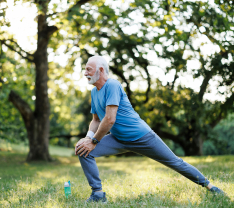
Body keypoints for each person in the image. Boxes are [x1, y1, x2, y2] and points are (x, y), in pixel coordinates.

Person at [75, 56, 224, 203]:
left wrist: (94, 141)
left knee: (175, 162)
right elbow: (96, 120)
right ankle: (98, 194)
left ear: (100, 70)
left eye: (89, 69)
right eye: (85, 70)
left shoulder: (112, 85)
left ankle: (211, 187)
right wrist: (88, 139)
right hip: (118, 139)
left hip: (142, 136)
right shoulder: (95, 92)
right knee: (83, 150)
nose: (85, 73)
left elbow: (109, 119)